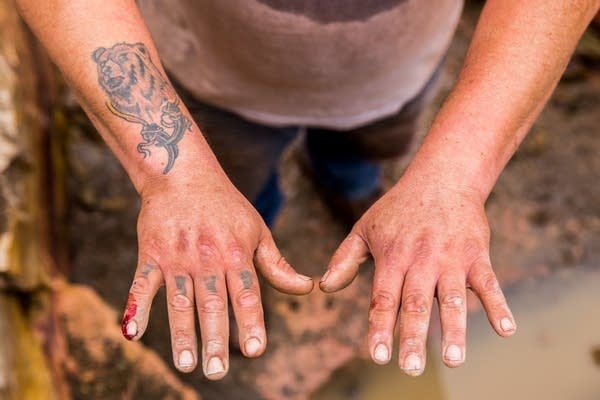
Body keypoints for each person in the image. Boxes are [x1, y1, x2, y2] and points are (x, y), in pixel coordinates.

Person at [17, 0, 599, 381]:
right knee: (237, 184)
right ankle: (257, 231)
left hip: (396, 76)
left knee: (364, 154)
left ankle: (347, 184)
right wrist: (176, 175)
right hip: (212, 82)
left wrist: (455, 174)